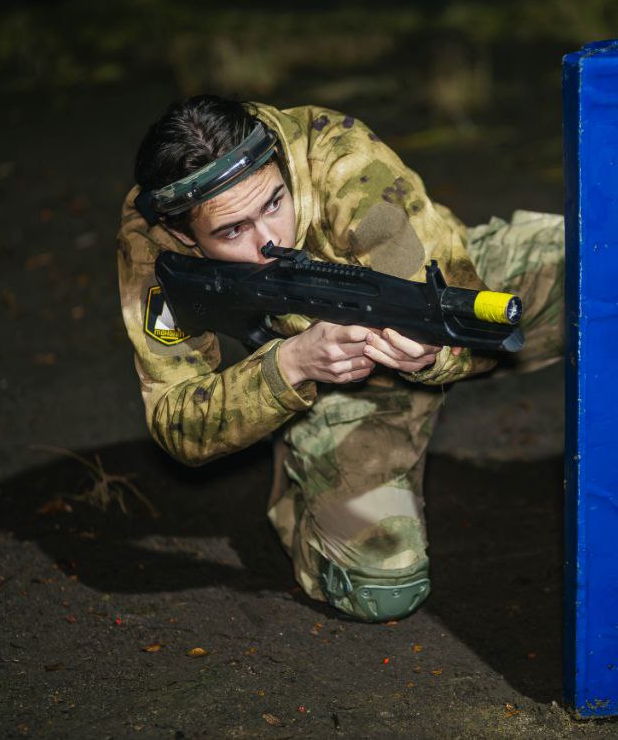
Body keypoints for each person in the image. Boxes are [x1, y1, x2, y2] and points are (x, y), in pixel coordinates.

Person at [117, 95, 563, 622]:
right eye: (232, 230)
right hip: (337, 384)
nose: (267, 241)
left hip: (436, 280)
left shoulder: (343, 161)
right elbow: (177, 424)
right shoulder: (153, 247)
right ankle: (302, 464)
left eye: (274, 204)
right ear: (180, 234)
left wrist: (432, 356)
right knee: (381, 585)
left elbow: (445, 287)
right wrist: (289, 368)